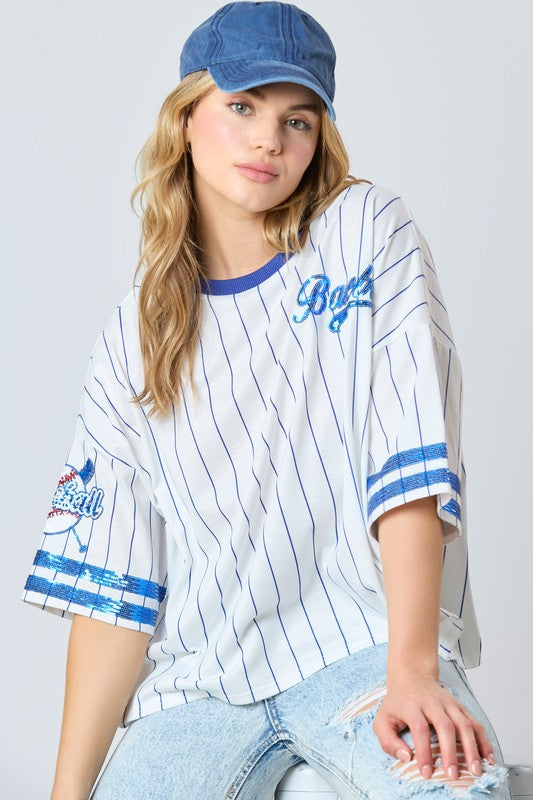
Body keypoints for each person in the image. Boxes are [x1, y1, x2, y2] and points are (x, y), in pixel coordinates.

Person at [20, 3, 512, 799]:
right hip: (200, 688)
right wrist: (64, 794)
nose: (268, 140)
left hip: (363, 648)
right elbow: (113, 582)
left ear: (319, 139)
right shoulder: (134, 334)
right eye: (242, 106)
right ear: (185, 120)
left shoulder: (364, 232)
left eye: (297, 119)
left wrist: (414, 670)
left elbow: (408, 460)